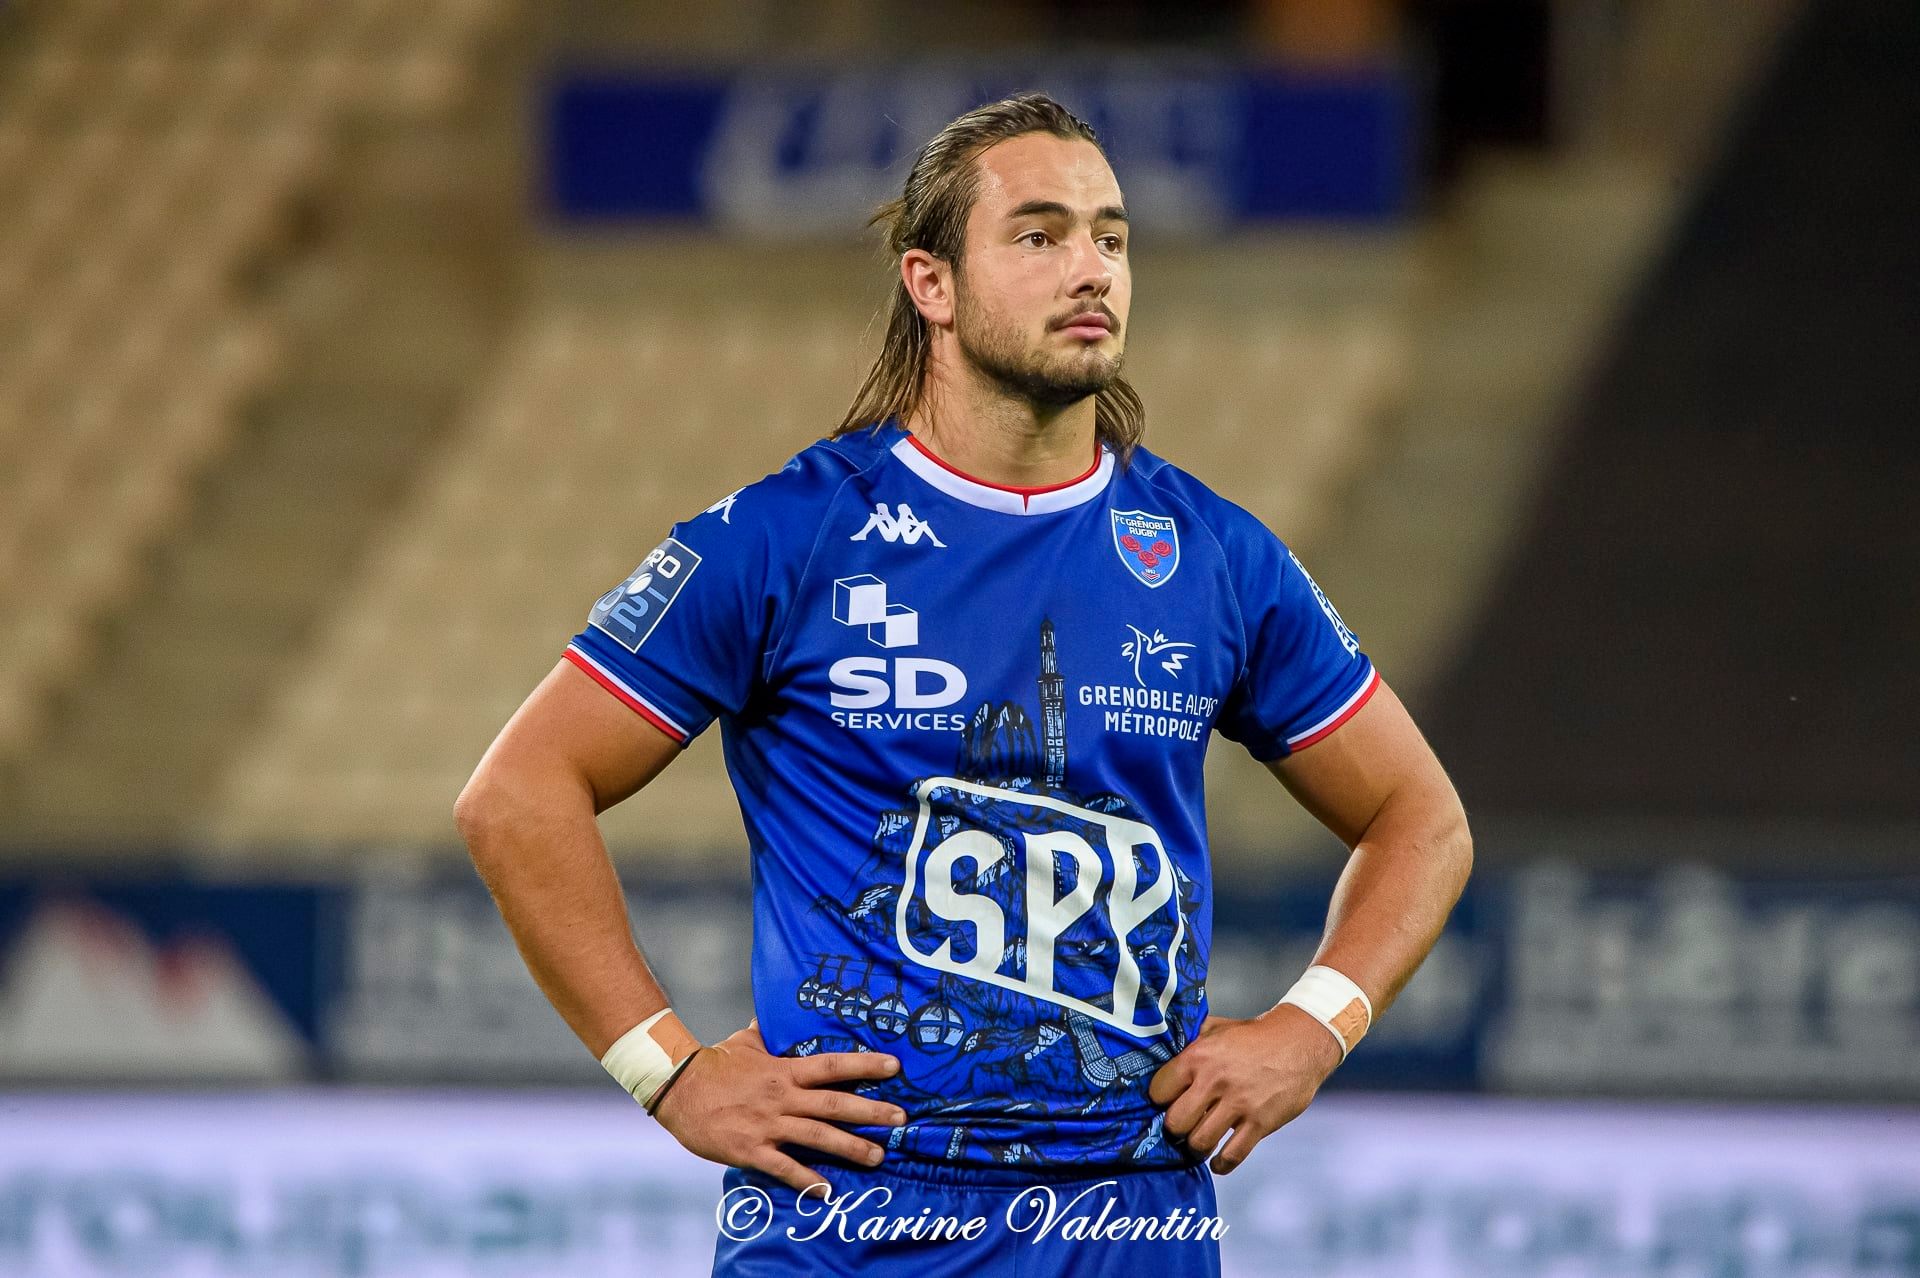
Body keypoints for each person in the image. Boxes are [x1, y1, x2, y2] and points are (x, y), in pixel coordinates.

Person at [455, 92, 1472, 1277]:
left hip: (1128, 1218)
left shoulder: (1214, 557)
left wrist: (1313, 1026)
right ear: (930, 284)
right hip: (854, 1220)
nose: (1090, 268)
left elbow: (1423, 820)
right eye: (1039, 236)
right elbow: (519, 794)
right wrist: (666, 1068)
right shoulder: (785, 542)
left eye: (1111, 235)